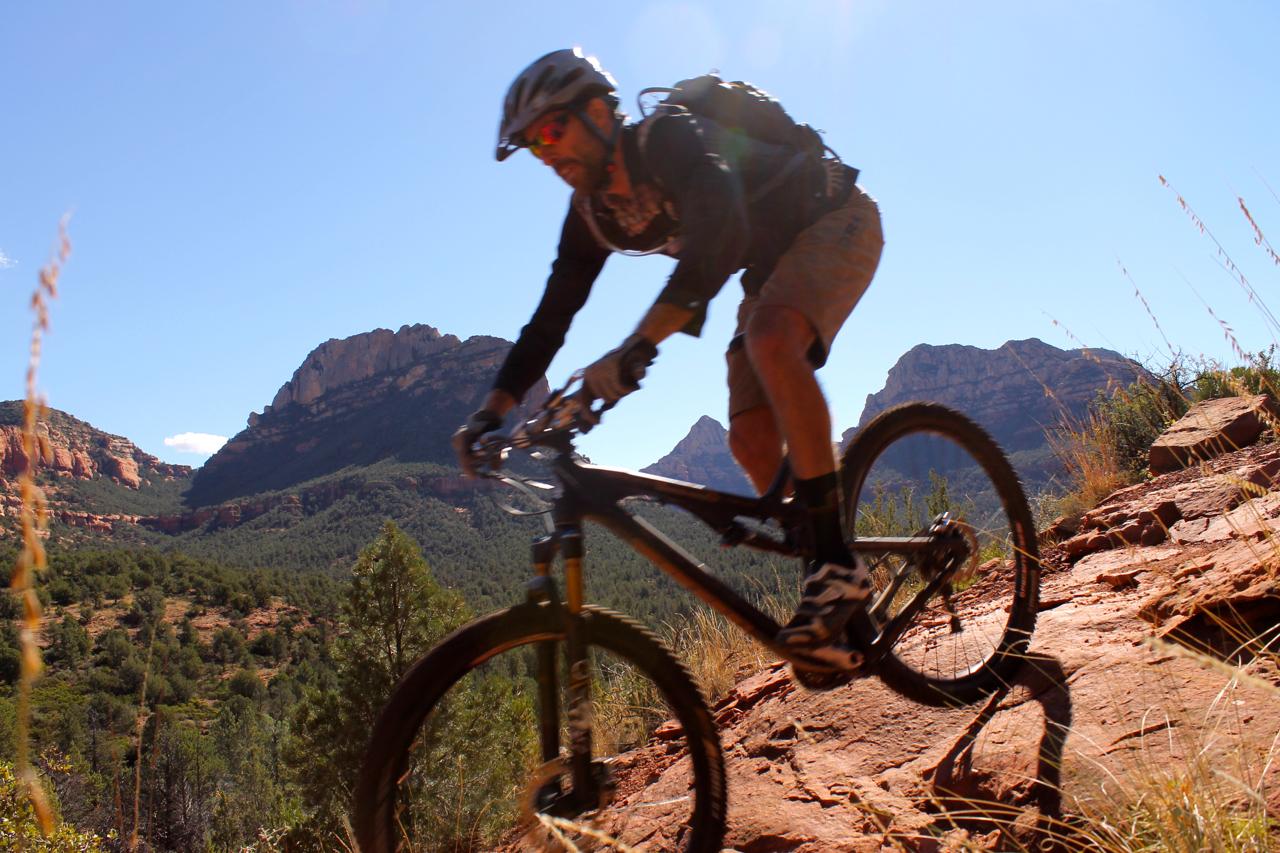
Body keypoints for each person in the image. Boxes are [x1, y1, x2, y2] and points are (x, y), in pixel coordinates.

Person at [452, 48, 885, 668]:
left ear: (601, 110)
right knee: (751, 441)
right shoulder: (593, 214)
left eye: (552, 131)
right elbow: (552, 316)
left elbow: (719, 239)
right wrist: (491, 412)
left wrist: (635, 348)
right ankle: (838, 603)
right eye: (534, 146)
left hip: (834, 216)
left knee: (769, 341)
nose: (548, 156)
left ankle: (836, 565)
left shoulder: (669, 140)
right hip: (770, 271)